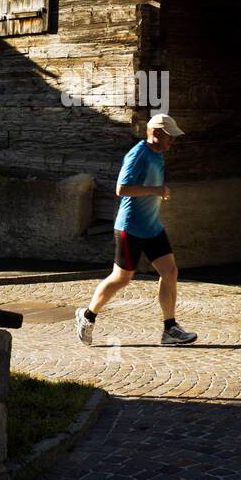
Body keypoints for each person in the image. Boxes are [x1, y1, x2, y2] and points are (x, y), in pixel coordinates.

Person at [76, 113, 197, 347]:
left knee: (170, 272)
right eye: (169, 136)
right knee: (121, 279)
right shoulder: (137, 154)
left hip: (152, 227)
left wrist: (159, 191)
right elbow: (121, 189)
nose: (173, 141)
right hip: (129, 227)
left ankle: (170, 328)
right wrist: (155, 190)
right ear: (156, 133)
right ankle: (87, 315)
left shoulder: (158, 154)